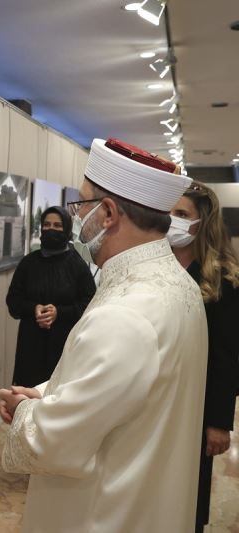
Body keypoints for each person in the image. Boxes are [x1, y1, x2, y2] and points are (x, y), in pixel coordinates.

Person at [0, 138, 208, 532]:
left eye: (81, 206)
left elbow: (54, 443)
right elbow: (122, 387)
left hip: (104, 513)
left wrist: (24, 411)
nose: (78, 220)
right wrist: (45, 393)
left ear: (108, 213)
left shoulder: (127, 312)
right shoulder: (178, 284)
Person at [168, 182, 239, 533]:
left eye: (181, 214)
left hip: (197, 402)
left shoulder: (222, 277)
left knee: (187, 493)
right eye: (169, 212)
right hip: (156, 399)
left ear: (202, 223)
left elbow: (228, 354)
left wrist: (219, 421)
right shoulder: (157, 265)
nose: (172, 221)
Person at [6, 206, 96, 386]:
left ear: (67, 229)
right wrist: (34, 309)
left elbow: (91, 305)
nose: (51, 229)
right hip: (31, 347)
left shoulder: (77, 266)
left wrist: (59, 312)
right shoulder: (28, 264)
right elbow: (14, 303)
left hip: (65, 347)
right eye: (46, 225)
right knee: (27, 401)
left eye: (57, 225)